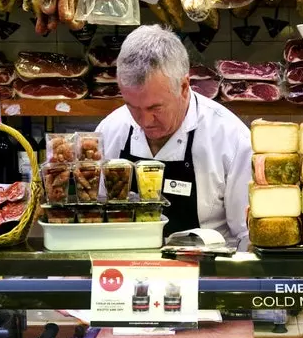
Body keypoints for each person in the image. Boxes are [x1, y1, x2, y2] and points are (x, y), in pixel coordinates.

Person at [96, 26, 252, 248]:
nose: (144, 120)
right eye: (132, 106)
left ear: (184, 87)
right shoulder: (110, 130)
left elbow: (246, 236)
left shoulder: (230, 138)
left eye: (155, 107)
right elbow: (95, 218)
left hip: (204, 273)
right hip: (124, 271)